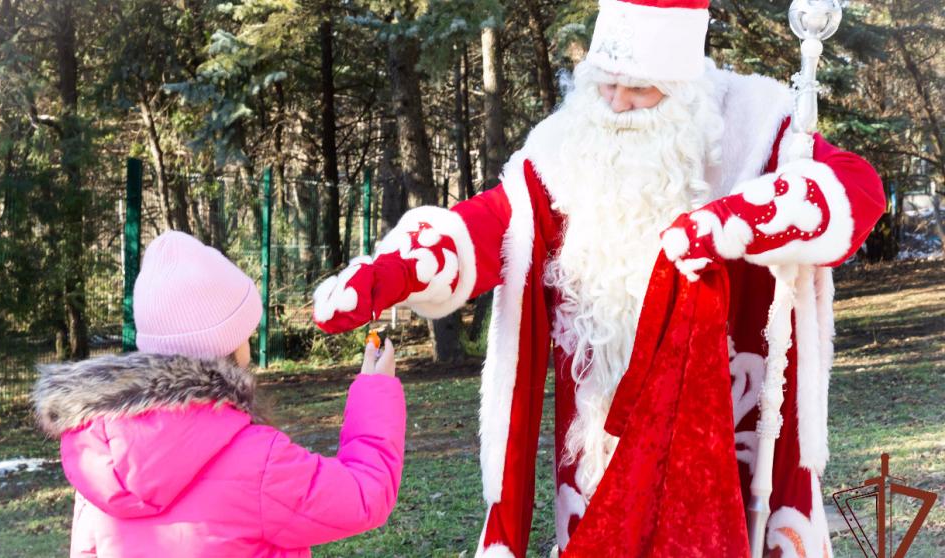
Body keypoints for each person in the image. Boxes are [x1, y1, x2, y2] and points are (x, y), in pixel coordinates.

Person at [311, 0, 885, 556]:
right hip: (598, 435)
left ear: (685, 91)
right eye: (607, 84)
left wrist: (732, 222)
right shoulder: (567, 146)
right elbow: (491, 227)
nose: (617, 105)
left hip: (729, 430)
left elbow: (857, 190)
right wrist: (388, 274)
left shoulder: (758, 126)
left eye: (640, 90)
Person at [32, 231, 405, 558]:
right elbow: (364, 496)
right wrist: (375, 391)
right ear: (228, 344)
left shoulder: (97, 454)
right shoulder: (259, 461)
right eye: (244, 332)